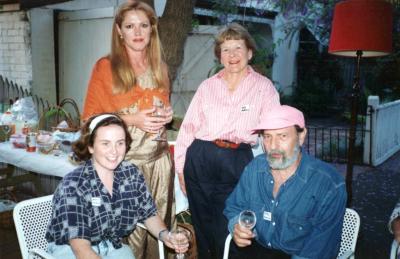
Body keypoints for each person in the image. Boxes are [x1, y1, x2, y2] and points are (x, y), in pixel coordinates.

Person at [174, 23, 280, 259]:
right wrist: (181, 169)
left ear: (249, 53)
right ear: (219, 56)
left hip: (237, 160)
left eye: (238, 48)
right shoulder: (207, 87)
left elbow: (272, 132)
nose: (232, 55)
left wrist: (272, 172)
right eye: (225, 49)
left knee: (229, 223)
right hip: (200, 157)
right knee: (201, 223)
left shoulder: (264, 88)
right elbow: (187, 129)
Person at [81, 2, 175, 258]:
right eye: (130, 26)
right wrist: (133, 119)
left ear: (152, 30)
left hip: (159, 163)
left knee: (158, 233)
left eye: (144, 25)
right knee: (127, 237)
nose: (138, 32)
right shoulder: (105, 67)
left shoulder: (161, 68)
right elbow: (90, 119)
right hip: (123, 166)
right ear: (119, 30)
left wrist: (166, 114)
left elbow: (161, 108)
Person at [45, 114, 188, 259]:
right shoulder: (74, 184)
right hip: (70, 250)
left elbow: (148, 214)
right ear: (90, 146)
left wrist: (166, 235)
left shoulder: (131, 174)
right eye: (105, 143)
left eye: (120, 143)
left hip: (111, 246)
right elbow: (81, 249)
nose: (114, 151)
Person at [223, 105, 347, 259]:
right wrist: (237, 226)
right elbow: (234, 206)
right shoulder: (254, 168)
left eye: (282, 136)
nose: (273, 146)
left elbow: (317, 252)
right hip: (255, 251)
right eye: (267, 136)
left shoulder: (329, 185)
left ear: (301, 136)